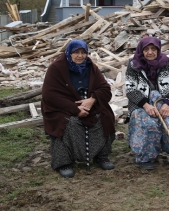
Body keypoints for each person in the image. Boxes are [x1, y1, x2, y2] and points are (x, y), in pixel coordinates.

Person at [41, 40, 115, 178]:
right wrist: (75, 109)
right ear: (69, 53)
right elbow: (50, 95)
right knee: (69, 123)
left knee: (104, 117)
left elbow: (105, 89)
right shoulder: (56, 68)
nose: (80, 56)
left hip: (89, 105)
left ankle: (101, 155)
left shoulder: (90, 67)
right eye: (76, 52)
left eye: (83, 52)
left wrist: (92, 99)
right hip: (63, 108)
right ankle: (64, 162)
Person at [125, 36, 169, 171]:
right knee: (148, 124)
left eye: (153, 49)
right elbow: (130, 89)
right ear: (141, 51)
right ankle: (145, 157)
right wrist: (145, 105)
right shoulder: (133, 65)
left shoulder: (168, 63)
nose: (150, 52)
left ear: (158, 50)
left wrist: (168, 104)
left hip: (165, 102)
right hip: (141, 104)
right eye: (146, 49)